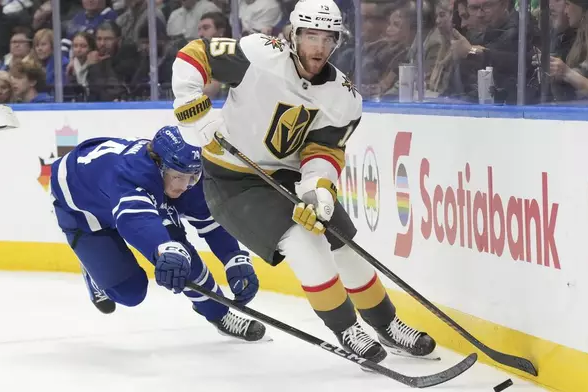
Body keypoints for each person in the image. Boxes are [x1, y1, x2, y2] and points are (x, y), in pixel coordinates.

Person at [170, 0, 436, 362]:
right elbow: (194, 53)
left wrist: (318, 191)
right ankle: (347, 328)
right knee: (301, 238)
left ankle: (387, 324)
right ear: (293, 35)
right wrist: (190, 103)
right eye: (311, 35)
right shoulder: (258, 54)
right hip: (232, 179)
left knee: (342, 239)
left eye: (328, 38)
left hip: (285, 175)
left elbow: (323, 152)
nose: (319, 47)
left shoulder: (343, 97)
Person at [49, 125, 266, 342]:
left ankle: (220, 315)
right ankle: (93, 271)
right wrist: (164, 249)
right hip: (82, 208)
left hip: (109, 186)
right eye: (178, 177)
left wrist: (233, 258)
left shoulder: (182, 173)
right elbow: (136, 220)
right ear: (158, 164)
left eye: (192, 176)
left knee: (181, 254)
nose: (184, 185)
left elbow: (210, 222)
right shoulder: (131, 176)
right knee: (130, 292)